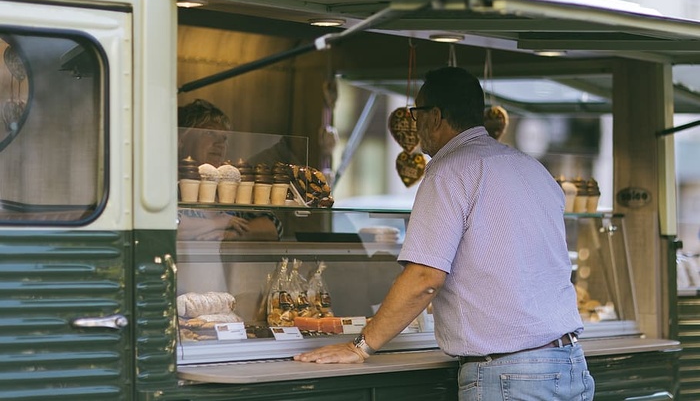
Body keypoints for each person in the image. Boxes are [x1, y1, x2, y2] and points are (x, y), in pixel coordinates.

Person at [294, 67, 594, 400]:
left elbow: (425, 277)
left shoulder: (450, 171)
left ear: (435, 117)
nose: (413, 124)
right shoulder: (533, 169)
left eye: (415, 114)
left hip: (509, 374)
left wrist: (361, 346)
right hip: (569, 364)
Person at [177, 99, 282, 241]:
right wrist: (219, 223)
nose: (220, 143)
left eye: (224, 138)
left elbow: (273, 227)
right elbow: (167, 229)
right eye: (209, 133)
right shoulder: (169, 182)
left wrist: (231, 235)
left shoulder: (228, 183)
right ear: (181, 139)